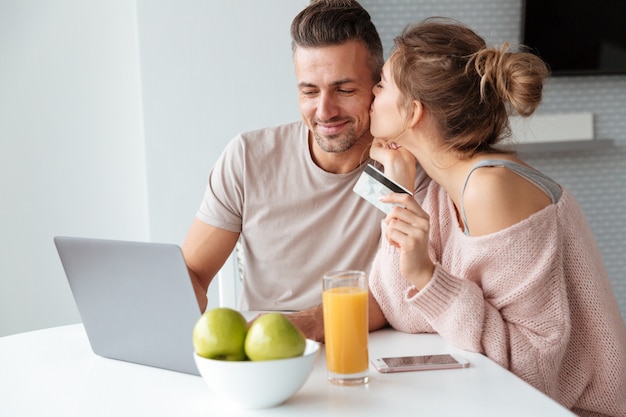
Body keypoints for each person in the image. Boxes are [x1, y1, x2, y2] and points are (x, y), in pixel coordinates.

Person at [365, 18, 626, 417]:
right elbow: (400, 311)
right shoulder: (440, 188)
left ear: (414, 112)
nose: (371, 93)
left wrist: (428, 277)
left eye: (382, 83)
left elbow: (532, 372)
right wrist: (397, 189)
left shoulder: (490, 189)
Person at [182, 0, 426, 340]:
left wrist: (307, 324)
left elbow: (405, 293)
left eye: (344, 90)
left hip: (367, 351)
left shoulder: (408, 167)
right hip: (266, 353)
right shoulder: (248, 158)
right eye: (309, 91)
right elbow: (193, 273)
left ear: (378, 86)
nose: (325, 111)